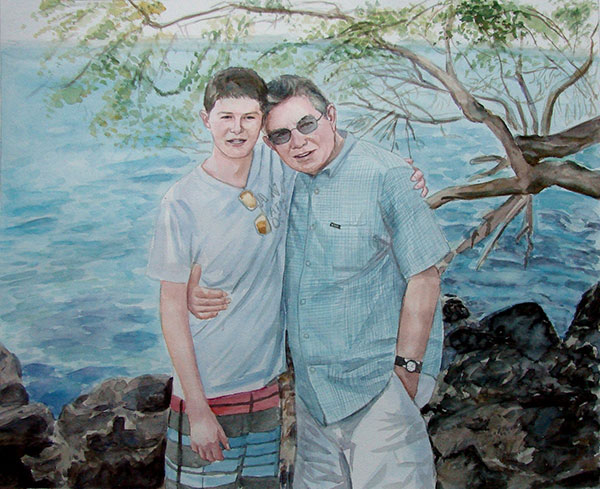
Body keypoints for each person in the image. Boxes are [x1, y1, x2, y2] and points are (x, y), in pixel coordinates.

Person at [149, 67, 428, 489]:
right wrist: (198, 409)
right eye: (226, 117)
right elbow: (169, 305)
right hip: (212, 391)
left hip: (267, 389)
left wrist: (401, 175)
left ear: (262, 126)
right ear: (206, 119)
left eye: (249, 118)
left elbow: (337, 157)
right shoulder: (182, 200)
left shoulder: (279, 167)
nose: (237, 129)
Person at [260, 75, 450, 489]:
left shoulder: (386, 174)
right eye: (281, 135)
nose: (298, 142)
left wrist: (406, 375)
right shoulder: (284, 182)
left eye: (306, 124)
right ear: (270, 144)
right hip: (314, 403)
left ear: (330, 115)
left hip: (378, 394)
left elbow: (425, 278)